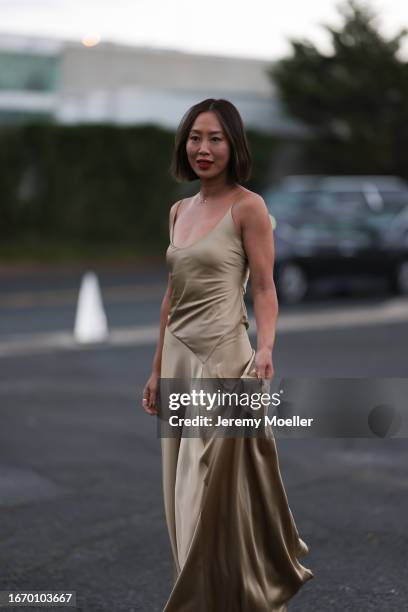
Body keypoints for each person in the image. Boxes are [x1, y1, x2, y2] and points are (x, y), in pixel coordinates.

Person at [142, 98, 314, 612]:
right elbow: (172, 295)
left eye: (215, 138)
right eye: (195, 137)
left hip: (225, 365)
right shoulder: (178, 210)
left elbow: (264, 287)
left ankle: (232, 599)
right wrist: (155, 371)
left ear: (233, 145)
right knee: (179, 494)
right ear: (184, 144)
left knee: (215, 494)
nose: (203, 148)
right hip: (178, 363)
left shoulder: (249, 207)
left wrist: (265, 346)